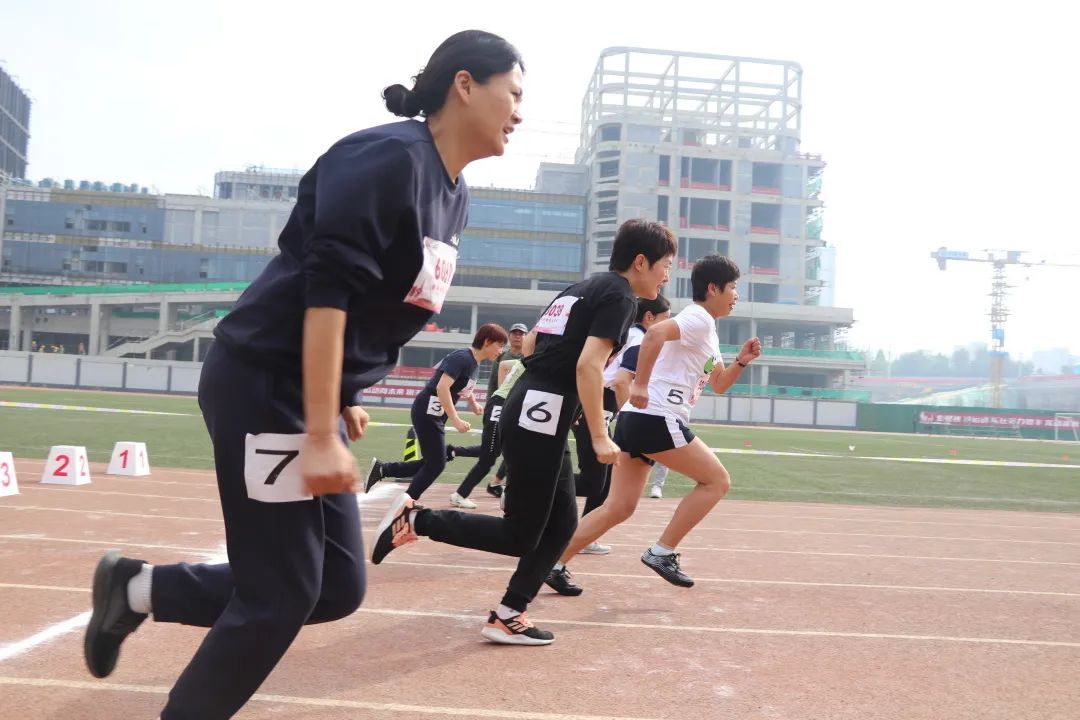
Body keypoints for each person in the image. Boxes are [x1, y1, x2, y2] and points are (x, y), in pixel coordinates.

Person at [81, 30, 524, 719]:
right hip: (266, 385)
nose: (519, 111)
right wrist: (318, 427)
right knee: (280, 593)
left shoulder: (453, 194)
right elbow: (327, 294)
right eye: (515, 93)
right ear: (465, 84)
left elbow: (379, 308)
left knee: (337, 585)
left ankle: (137, 590)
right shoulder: (387, 160)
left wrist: (342, 398)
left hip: (305, 393)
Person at [370, 218, 675, 645]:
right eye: (666, 264)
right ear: (641, 261)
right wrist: (599, 434)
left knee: (563, 522)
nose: (667, 275)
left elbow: (529, 344)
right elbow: (588, 365)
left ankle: (510, 612)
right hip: (540, 413)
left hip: (535, 406)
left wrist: (554, 394)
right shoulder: (620, 298)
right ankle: (419, 520)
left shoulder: (580, 288)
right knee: (520, 533)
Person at [546, 255, 760, 596]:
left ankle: (553, 563)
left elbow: (718, 383)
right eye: (733, 288)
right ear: (713, 288)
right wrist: (641, 385)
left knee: (619, 507)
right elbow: (655, 334)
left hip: (636, 419)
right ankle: (662, 552)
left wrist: (741, 362)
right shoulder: (697, 318)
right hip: (656, 416)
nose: (736, 295)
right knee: (717, 481)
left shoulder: (708, 330)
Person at [570, 294, 670, 556]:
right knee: (596, 480)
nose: (667, 326)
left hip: (599, 405)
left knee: (600, 481)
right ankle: (525, 491)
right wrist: (632, 418)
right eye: (665, 320)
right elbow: (623, 381)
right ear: (649, 318)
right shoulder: (640, 341)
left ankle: (583, 536)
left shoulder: (631, 336)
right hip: (598, 405)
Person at [364, 324, 507, 502]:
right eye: (500, 345)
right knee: (436, 464)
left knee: (432, 462)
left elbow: (464, 388)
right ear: (487, 341)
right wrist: (456, 419)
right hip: (426, 412)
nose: (501, 350)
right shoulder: (462, 357)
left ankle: (383, 470)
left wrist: (474, 404)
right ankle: (407, 502)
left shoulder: (473, 363)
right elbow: (442, 387)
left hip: (435, 415)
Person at [449, 353, 525, 507]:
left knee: (494, 449)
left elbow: (503, 366)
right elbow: (503, 366)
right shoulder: (533, 364)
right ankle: (460, 495)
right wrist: (505, 393)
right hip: (500, 405)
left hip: (503, 404)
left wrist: (503, 390)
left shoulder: (526, 361)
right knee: (489, 457)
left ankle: (451, 451)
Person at [481, 321, 528, 496]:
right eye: (515, 332)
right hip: (500, 406)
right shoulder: (501, 357)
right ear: (509, 336)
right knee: (495, 449)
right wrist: (491, 405)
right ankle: (497, 484)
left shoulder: (529, 356)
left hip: (521, 408)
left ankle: (497, 483)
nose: (518, 336)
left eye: (521, 333)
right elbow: (495, 384)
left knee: (515, 447)